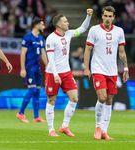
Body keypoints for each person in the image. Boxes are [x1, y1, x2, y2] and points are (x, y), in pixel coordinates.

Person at [45, 9, 93, 137]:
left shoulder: (69, 34)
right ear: (59, 25)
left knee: (74, 98)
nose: (68, 23)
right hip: (52, 73)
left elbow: (83, 28)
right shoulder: (51, 38)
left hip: (66, 72)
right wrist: (55, 75)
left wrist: (88, 16)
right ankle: (51, 130)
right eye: (66, 21)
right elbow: (51, 59)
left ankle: (64, 126)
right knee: (51, 100)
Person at [84, 6, 129, 140]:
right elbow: (87, 50)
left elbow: (121, 52)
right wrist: (86, 68)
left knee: (109, 100)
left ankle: (104, 131)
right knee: (102, 98)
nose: (107, 19)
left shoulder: (119, 31)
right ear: (102, 16)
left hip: (112, 70)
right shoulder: (94, 30)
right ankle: (98, 127)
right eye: (105, 16)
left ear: (114, 17)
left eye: (110, 16)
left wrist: (125, 69)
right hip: (98, 69)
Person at [16, 18, 48, 123]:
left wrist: (47, 65)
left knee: (38, 91)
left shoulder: (40, 39)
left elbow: (43, 53)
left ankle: (36, 117)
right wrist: (23, 68)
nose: (44, 27)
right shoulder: (28, 37)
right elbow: (23, 53)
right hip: (29, 67)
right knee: (32, 90)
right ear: (36, 26)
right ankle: (20, 113)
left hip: (37, 67)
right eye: (42, 25)